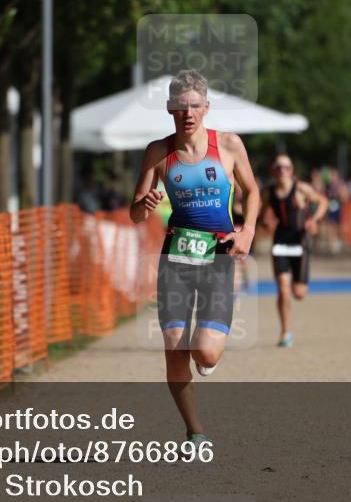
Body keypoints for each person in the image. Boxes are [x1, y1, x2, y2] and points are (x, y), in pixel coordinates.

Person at [129, 70, 260, 444]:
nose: (188, 113)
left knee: (204, 354)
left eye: (195, 106)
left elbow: (253, 192)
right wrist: (145, 203)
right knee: (174, 348)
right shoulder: (159, 152)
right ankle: (195, 430)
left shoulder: (230, 146)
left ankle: (207, 356)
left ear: (206, 107)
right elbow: (135, 214)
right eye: (181, 107)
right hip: (176, 259)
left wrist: (247, 230)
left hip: (218, 258)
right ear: (170, 109)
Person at [260, 154, 328, 347]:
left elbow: (322, 201)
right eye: (279, 167)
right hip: (280, 241)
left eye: (287, 167)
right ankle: (285, 332)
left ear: (292, 170)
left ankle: (294, 285)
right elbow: (262, 213)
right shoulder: (269, 192)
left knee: (298, 293)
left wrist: (313, 218)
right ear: (273, 171)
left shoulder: (301, 188)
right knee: (282, 289)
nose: (283, 171)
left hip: (300, 241)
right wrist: (264, 221)